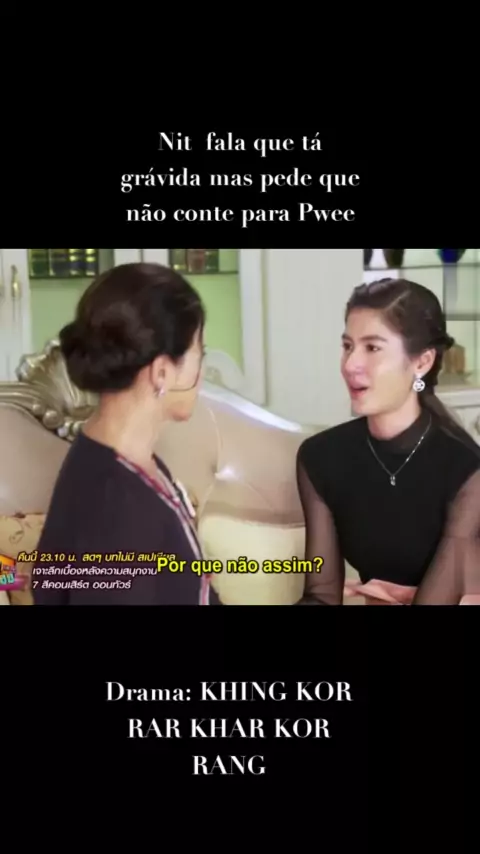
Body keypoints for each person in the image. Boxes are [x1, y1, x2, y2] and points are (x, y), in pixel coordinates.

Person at [33, 262, 220, 605]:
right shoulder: (116, 506)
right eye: (200, 354)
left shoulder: (129, 462)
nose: (202, 371)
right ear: (162, 372)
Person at [296, 277, 480, 605]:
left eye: (372, 348)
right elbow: (321, 595)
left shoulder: (466, 470)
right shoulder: (321, 458)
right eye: (348, 346)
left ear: (422, 362)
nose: (350, 364)